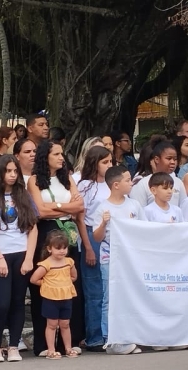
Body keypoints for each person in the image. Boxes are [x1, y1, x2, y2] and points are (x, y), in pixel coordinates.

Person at [28, 141, 86, 357]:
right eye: (57, 154)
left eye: (62, 154)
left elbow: (79, 207)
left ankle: (70, 342)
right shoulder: (34, 180)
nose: (62, 157)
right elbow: (40, 211)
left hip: (68, 232)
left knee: (70, 283)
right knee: (46, 286)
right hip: (46, 232)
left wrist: (56, 206)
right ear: (46, 157)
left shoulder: (67, 179)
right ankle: (44, 344)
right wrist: (65, 208)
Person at [0, 155, 38, 362]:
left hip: (21, 253)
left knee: (18, 302)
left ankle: (13, 346)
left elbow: (33, 229)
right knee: (2, 303)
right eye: (8, 171)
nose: (12, 175)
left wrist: (29, 258)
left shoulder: (24, 196)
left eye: (15, 171)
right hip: (0, 254)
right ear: (0, 173)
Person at [93, 166, 144, 355]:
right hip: (110, 259)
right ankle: (110, 339)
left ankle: (129, 336)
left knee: (130, 296)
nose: (131, 183)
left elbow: (144, 229)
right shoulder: (102, 207)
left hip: (131, 259)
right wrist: (103, 223)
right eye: (127, 180)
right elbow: (97, 237)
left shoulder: (134, 205)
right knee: (110, 298)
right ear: (116, 185)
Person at [75, 146, 112, 350]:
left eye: (111, 161)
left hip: (111, 235)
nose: (109, 165)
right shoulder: (85, 186)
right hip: (92, 233)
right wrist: (88, 247)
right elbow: (80, 219)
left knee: (109, 288)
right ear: (94, 163)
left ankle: (109, 333)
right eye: (104, 162)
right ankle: (95, 336)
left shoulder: (112, 184)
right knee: (95, 289)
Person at [30, 230, 78, 359]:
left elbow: (74, 276)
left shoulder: (69, 262)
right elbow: (34, 279)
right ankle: (51, 350)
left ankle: (68, 348)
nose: (62, 251)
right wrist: (48, 285)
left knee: (65, 324)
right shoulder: (45, 264)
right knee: (51, 325)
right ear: (49, 249)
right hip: (51, 299)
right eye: (58, 248)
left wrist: (64, 283)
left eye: (64, 248)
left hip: (66, 298)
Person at [130, 138, 187, 209]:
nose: (173, 162)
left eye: (175, 159)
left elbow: (183, 207)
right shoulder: (143, 184)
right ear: (157, 159)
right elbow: (138, 210)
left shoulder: (178, 182)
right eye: (169, 158)